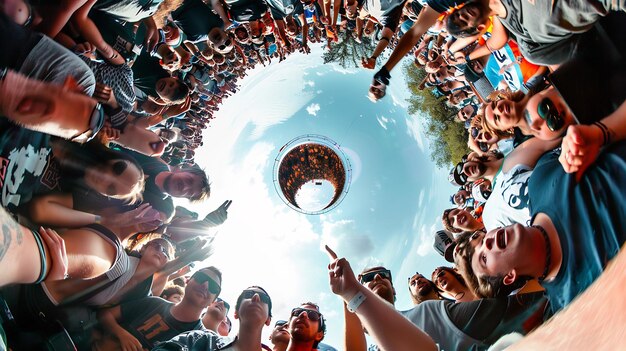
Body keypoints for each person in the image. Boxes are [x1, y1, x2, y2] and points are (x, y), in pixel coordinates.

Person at [455, 139, 626, 313]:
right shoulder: (572, 303)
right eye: (484, 258)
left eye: (483, 240)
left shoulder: (539, 181)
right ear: (509, 277)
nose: (488, 242)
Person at [326, 246, 548, 351]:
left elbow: (529, 308)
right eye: (366, 278)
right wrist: (348, 295)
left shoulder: (429, 312)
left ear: (394, 291)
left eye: (384, 275)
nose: (376, 277)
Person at [96, 266, 222, 350]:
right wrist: (121, 334)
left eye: (213, 287)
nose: (205, 285)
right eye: (201, 278)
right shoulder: (154, 303)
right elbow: (106, 314)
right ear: (188, 281)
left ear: (213, 301)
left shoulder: (199, 340)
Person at [153, 286, 274, 351]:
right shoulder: (201, 340)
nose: (256, 297)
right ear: (236, 313)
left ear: (268, 319)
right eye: (248, 295)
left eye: (264, 299)